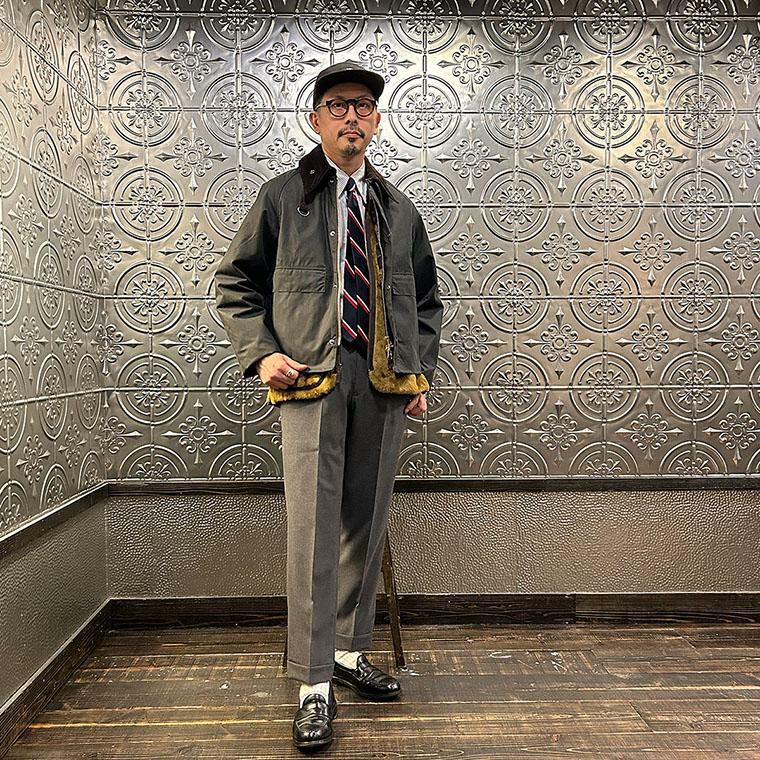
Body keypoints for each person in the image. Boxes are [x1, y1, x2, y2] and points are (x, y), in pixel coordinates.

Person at [214, 59, 443, 752]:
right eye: (338, 105)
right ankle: (314, 682)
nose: (351, 117)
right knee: (314, 528)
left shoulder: (397, 207)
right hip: (309, 381)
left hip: (382, 384)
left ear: (377, 121)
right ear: (315, 120)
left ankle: (346, 650)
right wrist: (262, 355)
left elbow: (425, 300)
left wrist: (417, 370)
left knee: (365, 523)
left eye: (363, 106)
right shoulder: (283, 197)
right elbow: (236, 284)